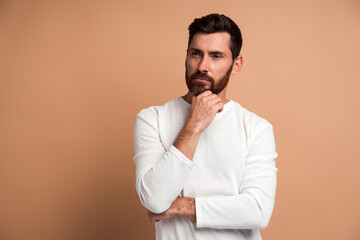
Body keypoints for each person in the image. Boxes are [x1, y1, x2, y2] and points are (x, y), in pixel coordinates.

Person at [133, 13, 278, 240]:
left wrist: (182, 207)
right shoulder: (152, 119)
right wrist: (193, 125)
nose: (202, 66)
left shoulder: (256, 128)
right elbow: (154, 199)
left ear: (236, 64)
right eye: (196, 54)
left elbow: (258, 210)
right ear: (187, 56)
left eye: (216, 56)